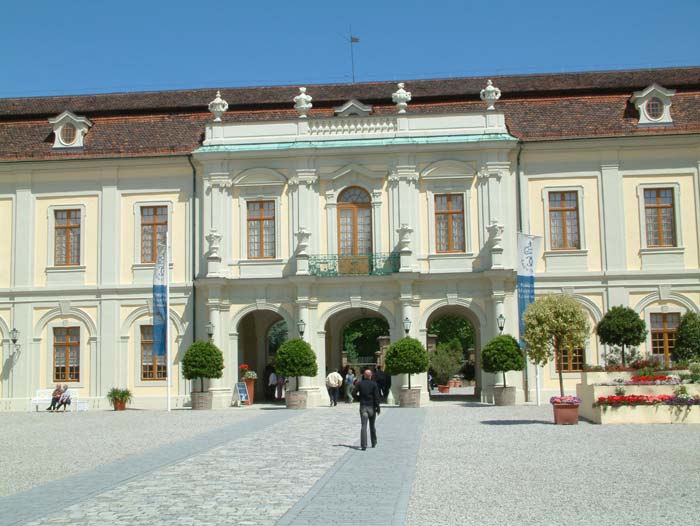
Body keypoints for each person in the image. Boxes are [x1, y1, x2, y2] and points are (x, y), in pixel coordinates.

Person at [351, 369, 380, 451]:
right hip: (372, 407)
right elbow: (377, 397)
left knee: (363, 426)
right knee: (372, 425)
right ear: (370, 376)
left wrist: (358, 398)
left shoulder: (359, 383)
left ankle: (363, 445)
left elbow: (353, 393)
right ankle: (373, 442)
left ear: (364, 375)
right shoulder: (374, 384)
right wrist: (378, 407)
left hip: (363, 407)